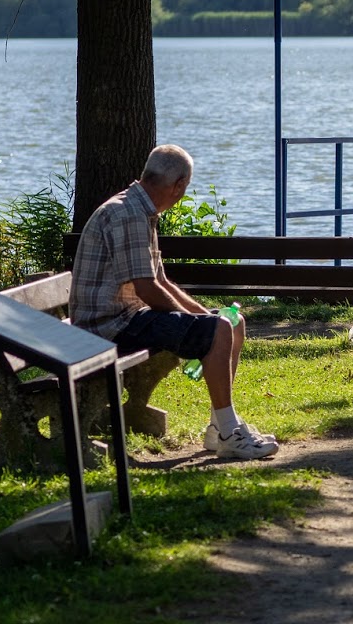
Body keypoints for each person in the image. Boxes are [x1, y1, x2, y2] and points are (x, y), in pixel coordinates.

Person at [69, 144, 279, 460]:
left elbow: (161, 281)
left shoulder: (140, 210)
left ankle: (218, 428)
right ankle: (230, 434)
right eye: (186, 187)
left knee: (232, 324)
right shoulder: (128, 215)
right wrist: (203, 324)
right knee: (217, 329)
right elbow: (147, 289)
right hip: (107, 327)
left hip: (126, 317)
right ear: (179, 185)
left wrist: (206, 316)